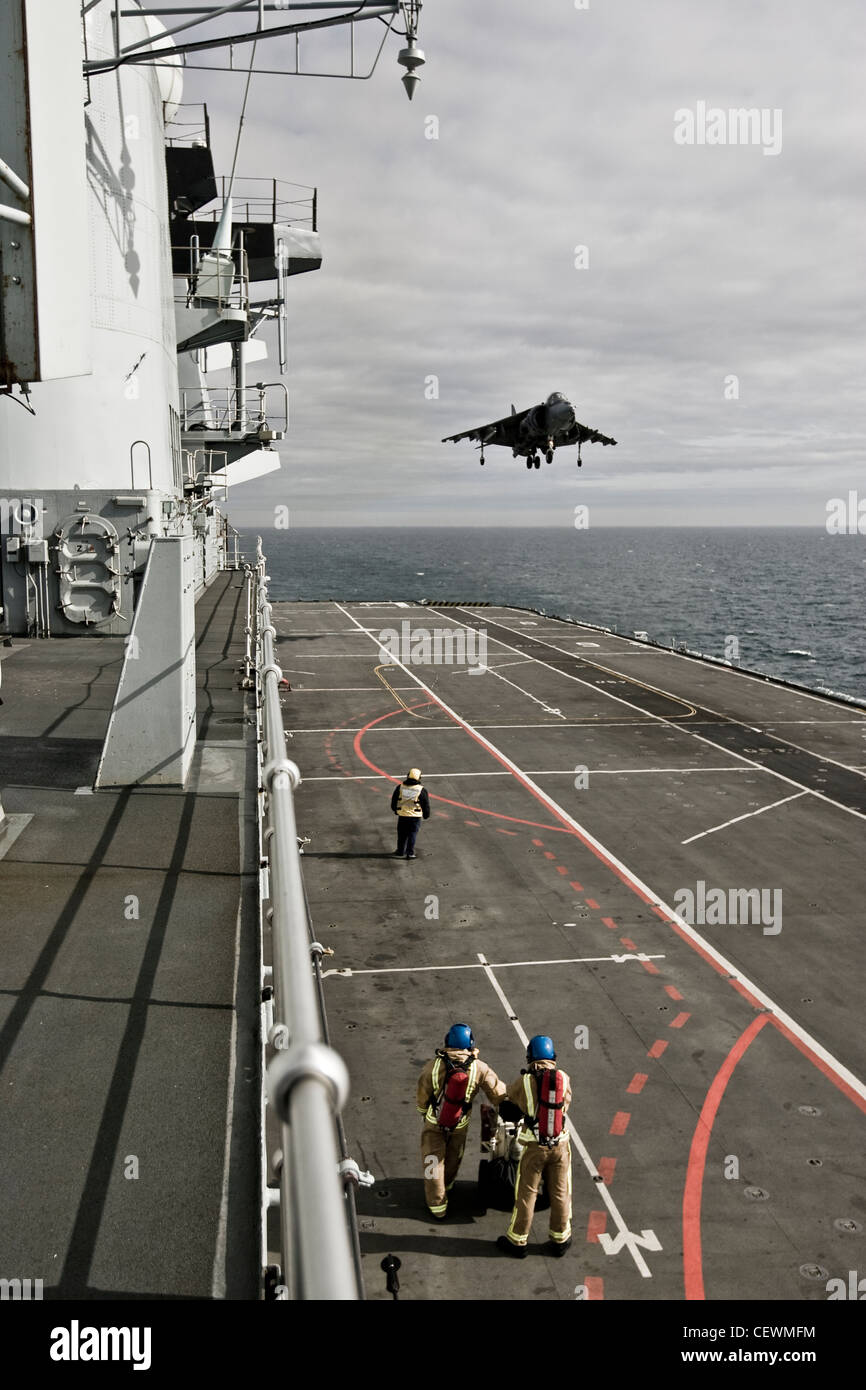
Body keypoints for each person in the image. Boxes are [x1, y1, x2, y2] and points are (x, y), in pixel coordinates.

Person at [417, 1023, 506, 1219]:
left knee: (433, 1162)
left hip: (434, 1123)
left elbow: (423, 1095)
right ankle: (448, 1185)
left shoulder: (433, 1067)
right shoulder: (479, 1068)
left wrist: (424, 1112)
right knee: (453, 1157)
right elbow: (498, 1093)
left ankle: (437, 1206)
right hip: (460, 1124)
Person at [496, 1035, 572, 1258]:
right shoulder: (563, 1078)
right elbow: (565, 1104)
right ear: (553, 1057)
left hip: (534, 1146)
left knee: (526, 1194)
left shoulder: (525, 1082)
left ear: (530, 1057)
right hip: (560, 1145)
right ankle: (560, 1239)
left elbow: (509, 1097)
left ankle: (518, 1240)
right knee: (560, 1192)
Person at [390, 766, 430, 858]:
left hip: (403, 815)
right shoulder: (421, 790)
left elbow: (394, 800)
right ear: (419, 778)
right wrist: (426, 814)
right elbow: (425, 804)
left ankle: (400, 851)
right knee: (412, 834)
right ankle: (410, 853)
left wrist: (395, 810)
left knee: (401, 834)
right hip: (415, 816)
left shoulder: (400, 787)